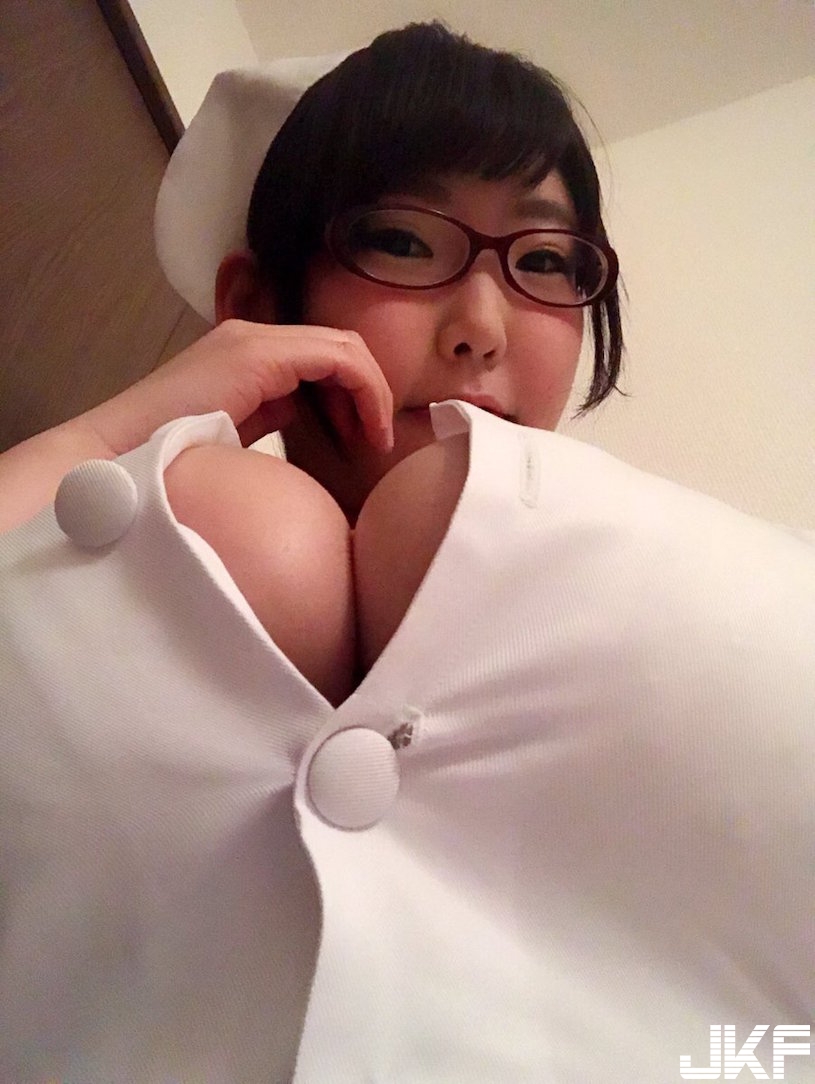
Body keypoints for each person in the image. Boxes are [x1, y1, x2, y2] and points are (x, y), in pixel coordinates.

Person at [1, 22, 813, 1084]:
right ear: (255, 305)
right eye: (400, 242)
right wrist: (110, 433)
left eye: (544, 261)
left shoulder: (719, 598)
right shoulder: (103, 532)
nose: (482, 324)